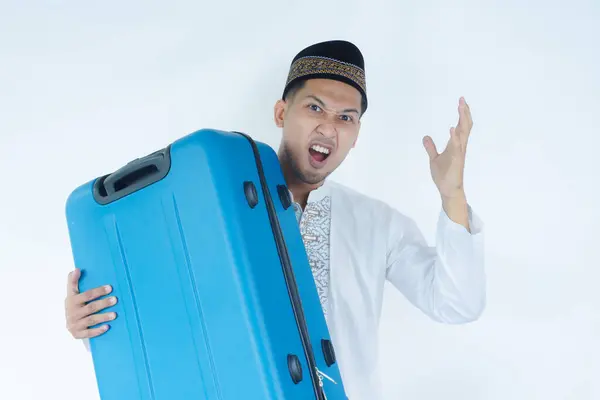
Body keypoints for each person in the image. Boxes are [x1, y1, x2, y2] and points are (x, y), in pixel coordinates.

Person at [64, 40, 485, 399]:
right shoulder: (206, 202)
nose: (328, 127)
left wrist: (453, 195)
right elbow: (164, 315)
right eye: (315, 108)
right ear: (282, 113)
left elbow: (456, 304)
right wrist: (90, 323)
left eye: (345, 118)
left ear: (356, 136)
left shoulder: (378, 223)